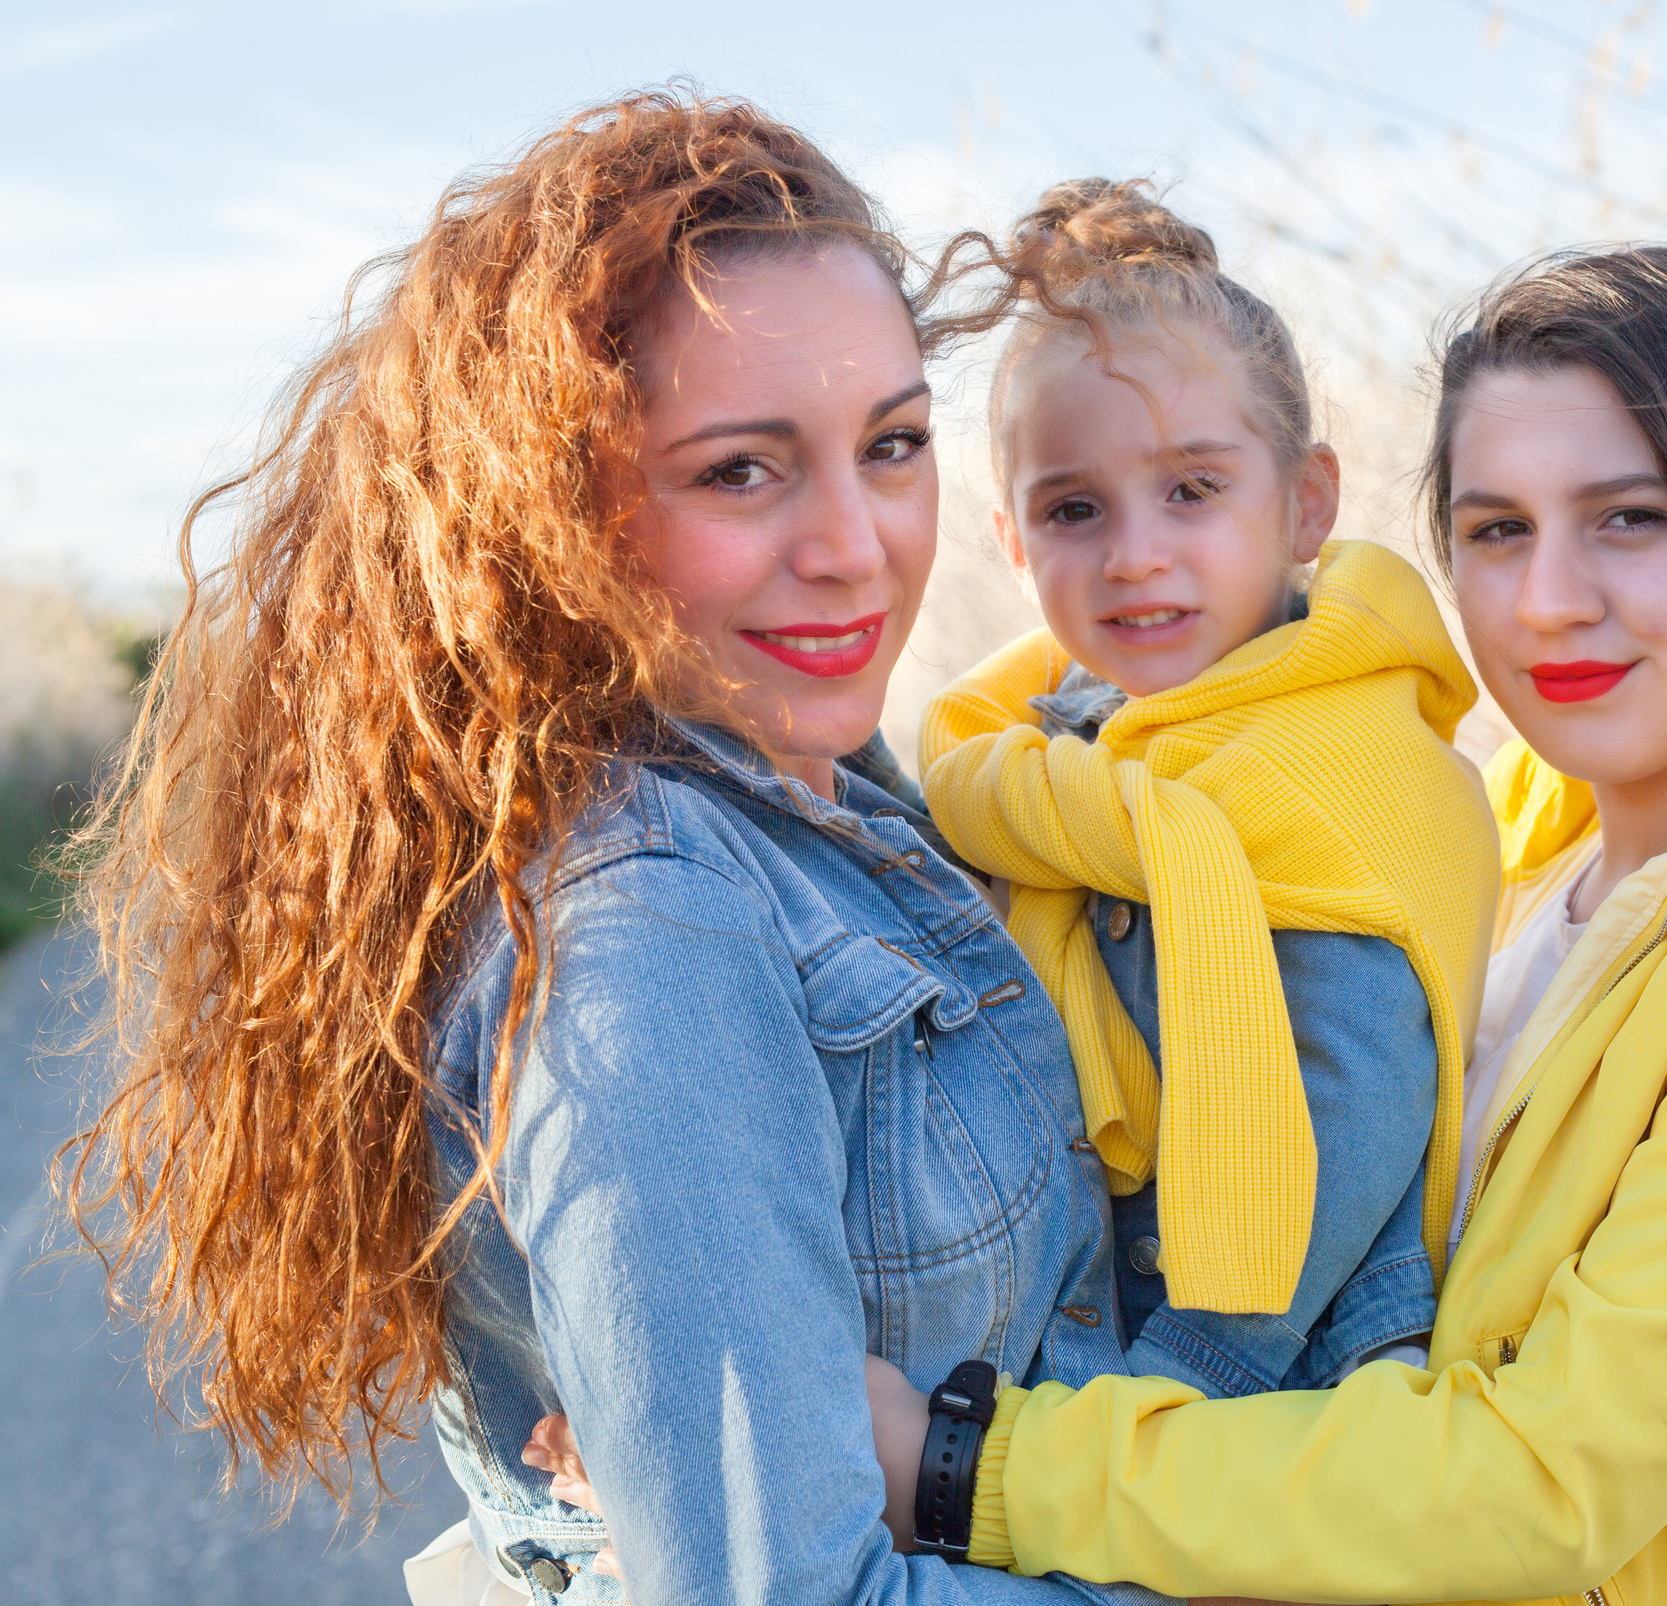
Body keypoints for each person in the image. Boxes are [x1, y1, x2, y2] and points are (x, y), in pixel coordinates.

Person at [839, 244, 1667, 1604]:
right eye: (1499, 531)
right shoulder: (1487, 843)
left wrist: (979, 1468)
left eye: (1631, 519)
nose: (1550, 600)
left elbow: (1548, 1479)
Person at [59, 91, 1172, 1606]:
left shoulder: (822, 781)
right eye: (739, 470)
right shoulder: (650, 925)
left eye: (892, 444)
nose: (856, 544)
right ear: (554, 511)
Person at [914, 179, 1498, 1394]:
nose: (1135, 555)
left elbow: (1357, 1100)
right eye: (1074, 509)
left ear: (1305, 503)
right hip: (1075, 1344)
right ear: (1013, 544)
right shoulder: (1035, 770)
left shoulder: (1346, 762)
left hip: (1286, 1371)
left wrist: (1183, 1376)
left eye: (1192, 490)